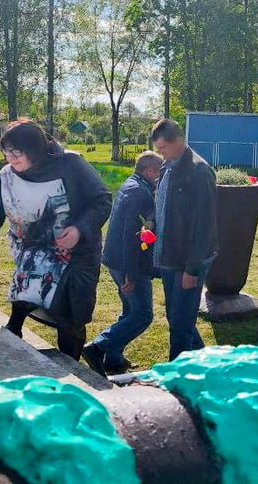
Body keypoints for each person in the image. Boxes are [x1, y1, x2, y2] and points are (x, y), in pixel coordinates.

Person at [0, 118, 112, 360]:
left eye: (17, 153)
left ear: (35, 151)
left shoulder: (71, 164)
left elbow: (102, 200)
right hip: (31, 253)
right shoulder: (7, 176)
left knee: (70, 319)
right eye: (7, 152)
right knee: (23, 302)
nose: (11, 159)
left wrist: (80, 229)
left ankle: (72, 369)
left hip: (76, 257)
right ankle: (14, 346)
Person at [82, 151, 163, 376]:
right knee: (142, 314)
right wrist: (130, 274)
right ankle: (98, 347)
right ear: (150, 171)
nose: (162, 177)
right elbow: (131, 235)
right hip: (128, 263)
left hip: (115, 258)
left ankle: (114, 359)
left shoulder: (131, 184)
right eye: (160, 172)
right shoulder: (140, 194)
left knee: (129, 310)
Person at [150, 118, 217, 361]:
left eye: (163, 148)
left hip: (187, 261)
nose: (161, 154)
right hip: (168, 255)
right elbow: (162, 203)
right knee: (177, 317)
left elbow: (205, 225)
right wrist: (151, 221)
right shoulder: (167, 166)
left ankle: (176, 375)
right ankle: (206, 364)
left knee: (180, 324)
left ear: (178, 141)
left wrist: (192, 268)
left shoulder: (199, 171)